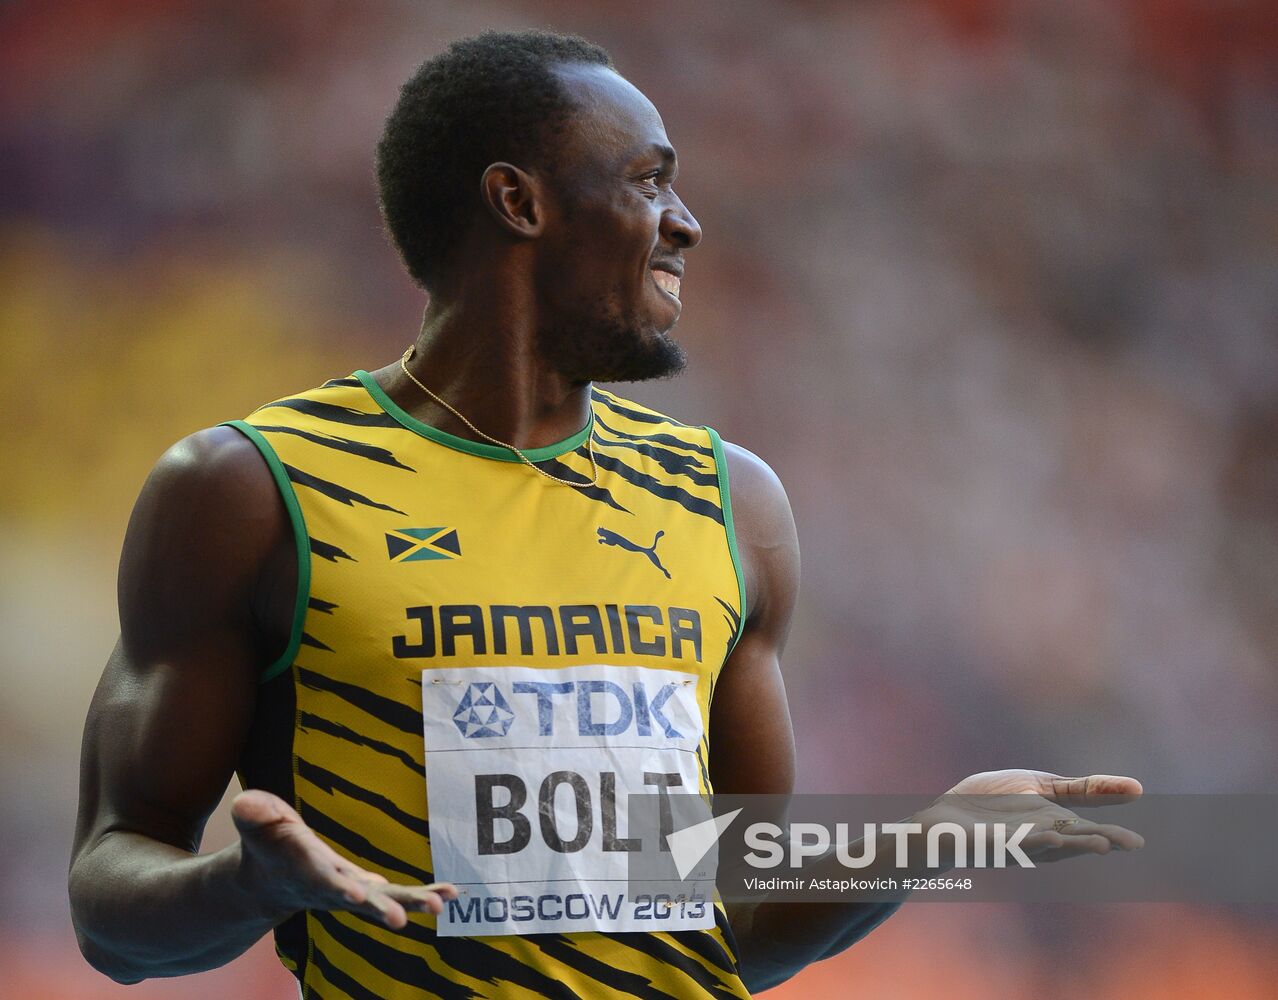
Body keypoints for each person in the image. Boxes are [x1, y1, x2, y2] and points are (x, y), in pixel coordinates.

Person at [69, 29, 1143, 999]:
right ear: (518, 201)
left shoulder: (730, 502)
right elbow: (112, 905)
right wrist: (249, 887)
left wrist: (927, 844)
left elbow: (733, 924)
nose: (688, 222)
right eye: (649, 180)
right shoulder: (254, 490)